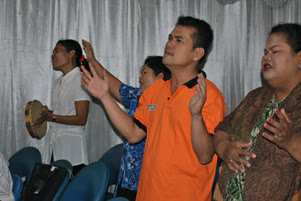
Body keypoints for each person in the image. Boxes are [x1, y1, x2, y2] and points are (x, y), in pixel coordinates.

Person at [81, 16, 226, 201]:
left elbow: (206, 156)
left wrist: (195, 115)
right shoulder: (156, 89)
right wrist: (104, 96)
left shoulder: (209, 95)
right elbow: (133, 133)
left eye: (178, 40)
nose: (169, 44)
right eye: (170, 38)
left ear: (197, 54)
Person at [213, 23, 301, 201]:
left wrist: (292, 143)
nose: (266, 58)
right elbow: (222, 130)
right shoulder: (256, 97)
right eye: (265, 52)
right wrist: (224, 148)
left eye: (275, 51)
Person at [82, 39, 171, 201]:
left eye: (145, 73)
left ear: (160, 77)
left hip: (149, 180)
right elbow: (114, 85)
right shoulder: (138, 96)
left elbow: (134, 134)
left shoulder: (168, 103)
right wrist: (92, 61)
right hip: (127, 176)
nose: (140, 77)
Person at [33, 39, 91, 176]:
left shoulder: (81, 79)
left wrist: (52, 117)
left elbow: (81, 118)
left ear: (71, 53)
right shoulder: (59, 81)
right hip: (56, 147)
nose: (52, 56)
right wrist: (48, 115)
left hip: (73, 151)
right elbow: (64, 113)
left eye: (56, 51)